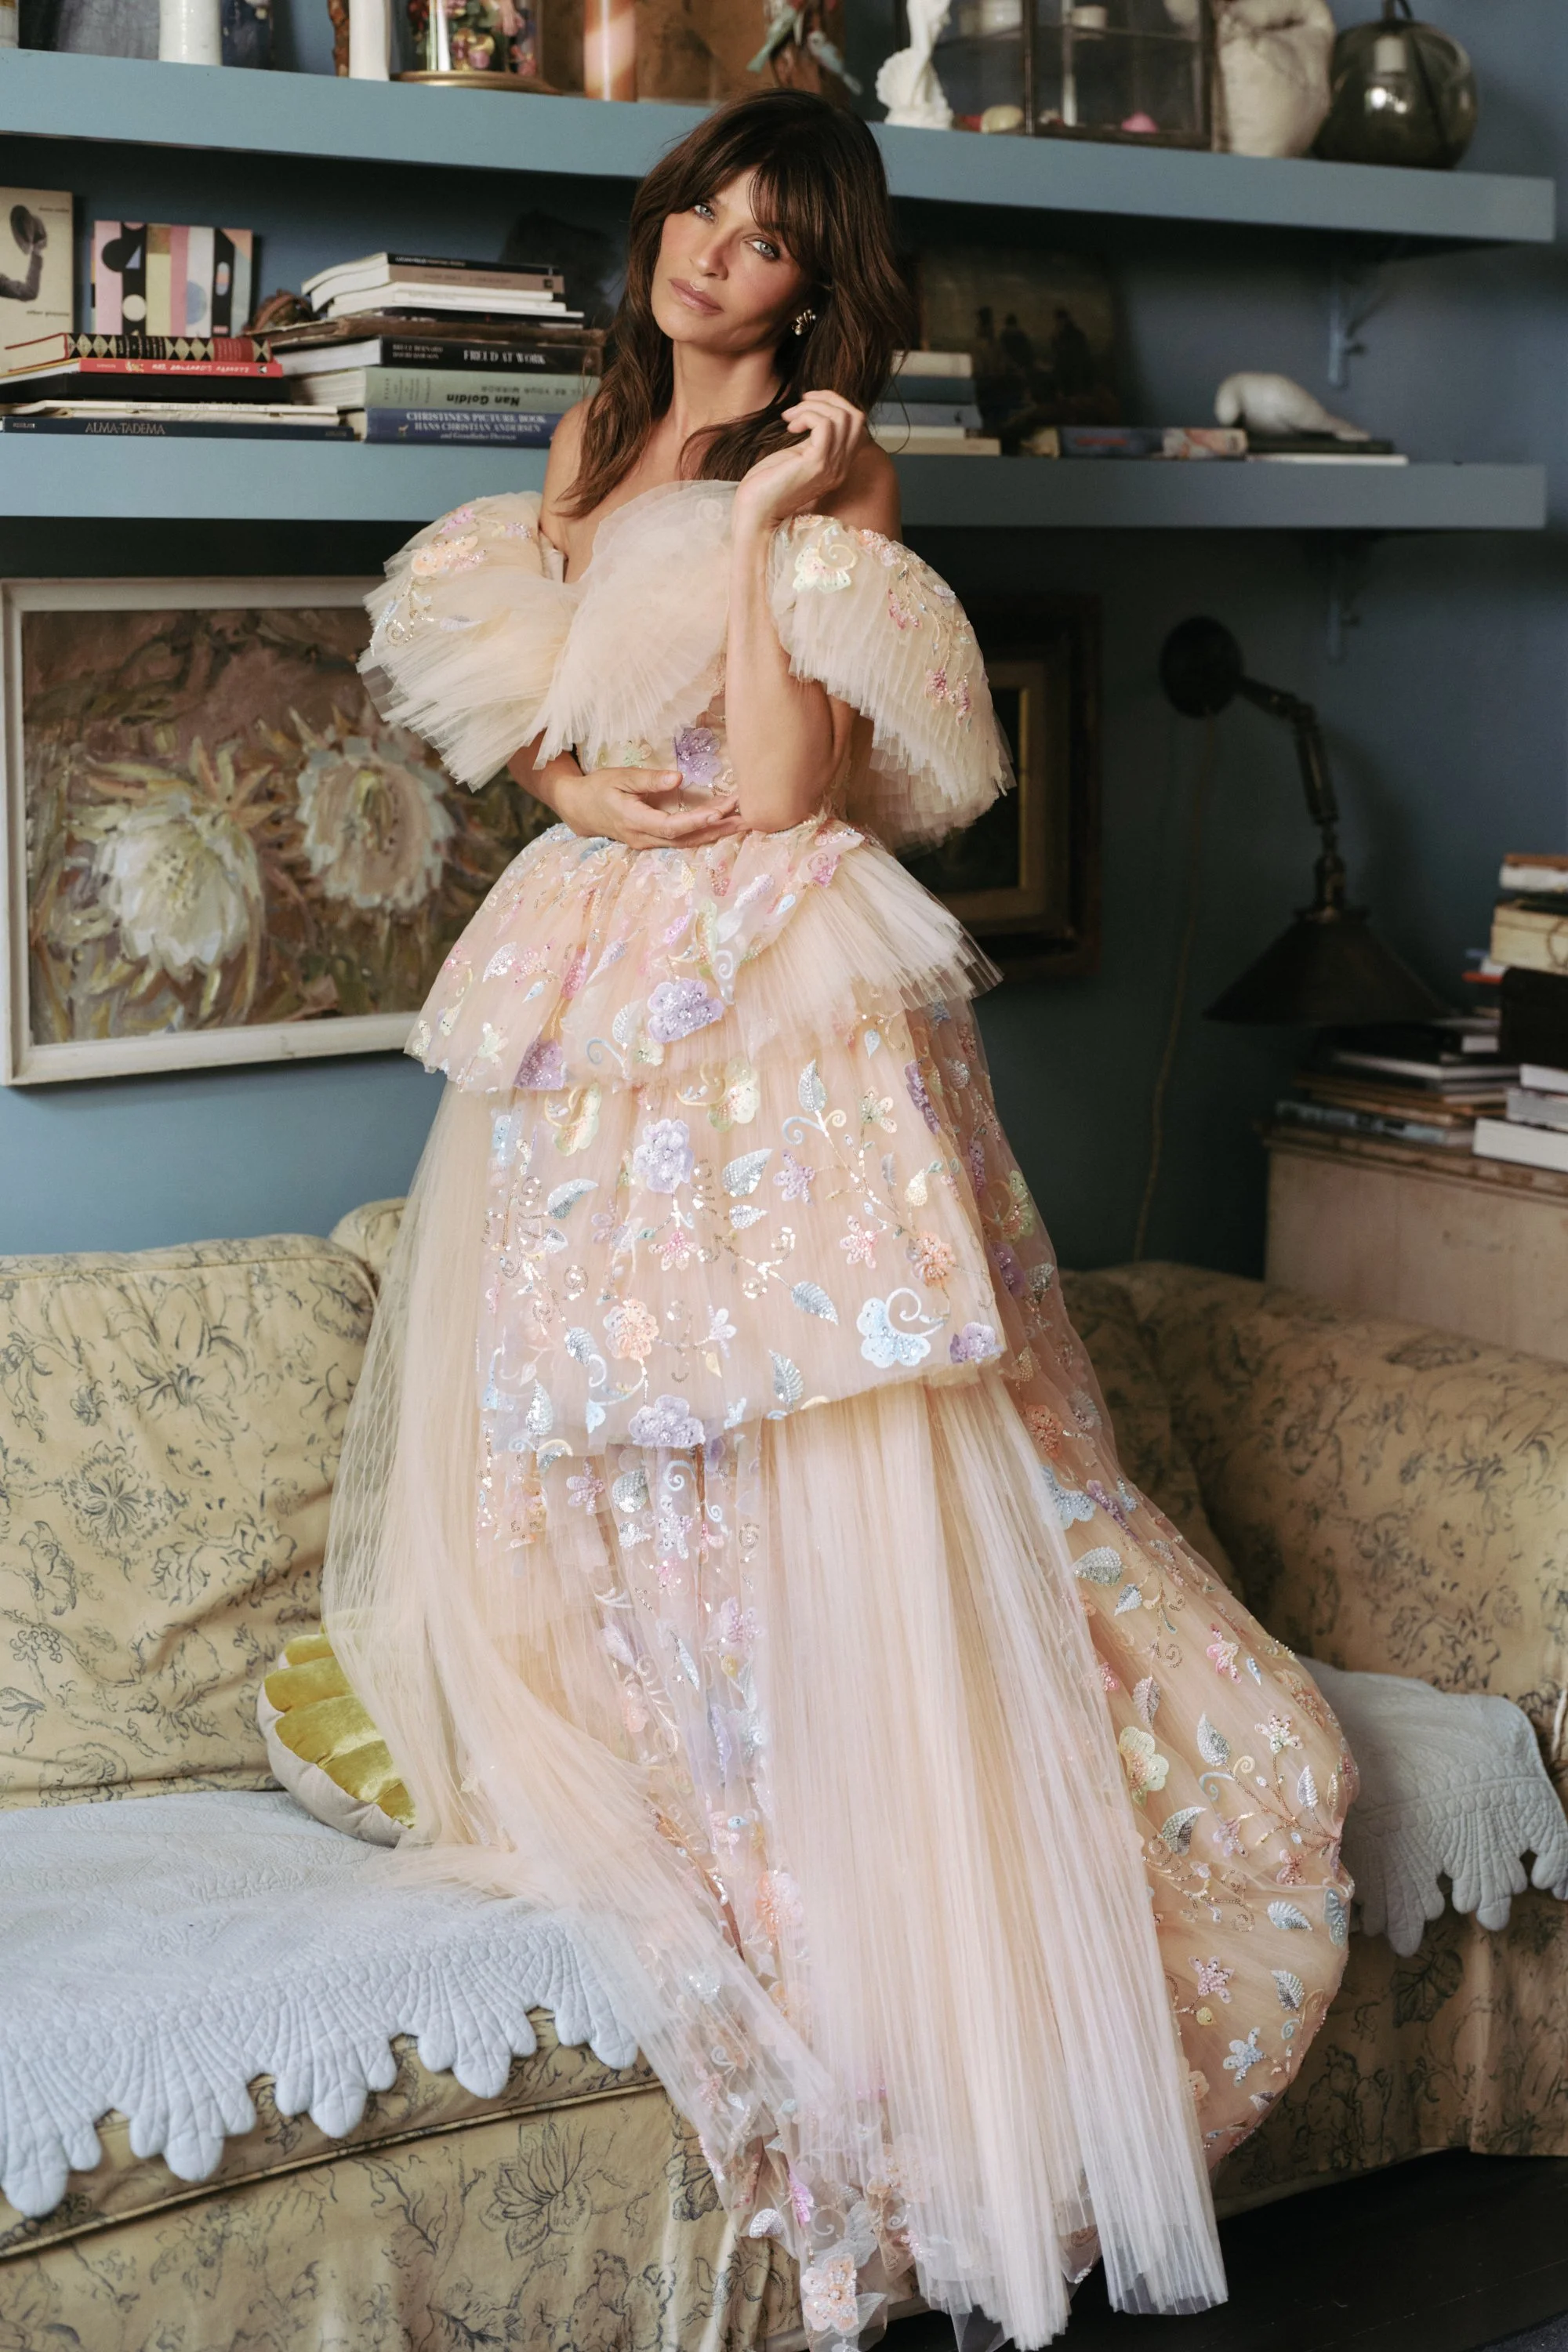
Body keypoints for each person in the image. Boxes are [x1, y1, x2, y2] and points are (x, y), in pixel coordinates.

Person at [325, 88, 1353, 2352]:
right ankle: (687, 1759)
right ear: (664, 223)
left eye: (775, 233)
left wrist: (787, 510)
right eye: (707, 203)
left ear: (817, 285)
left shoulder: (836, 472)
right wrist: (582, 784)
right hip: (607, 971)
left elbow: (790, 792)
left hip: (773, 972)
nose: (721, 250)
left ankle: (897, 1901)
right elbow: (545, 718)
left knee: (822, 1412)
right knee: (607, 1415)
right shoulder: (585, 448)